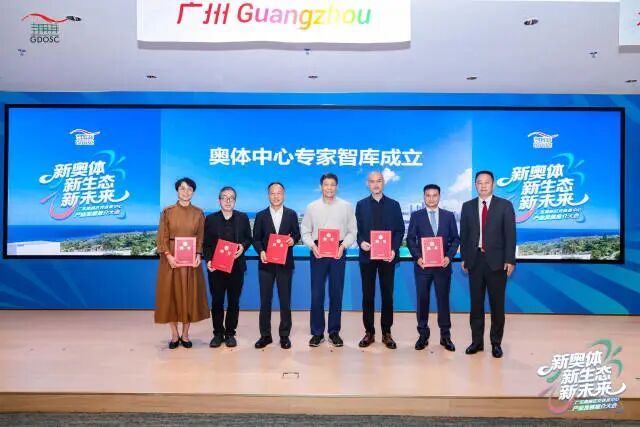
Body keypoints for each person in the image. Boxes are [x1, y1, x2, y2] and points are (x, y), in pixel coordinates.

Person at [460, 170, 516, 358]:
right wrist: (464, 258)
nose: (483, 186)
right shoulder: (467, 206)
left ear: (493, 184)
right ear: (475, 185)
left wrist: (510, 260)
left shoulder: (505, 206)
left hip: (497, 262)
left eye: (486, 182)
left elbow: (510, 235)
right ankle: (477, 342)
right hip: (475, 261)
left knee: (497, 305)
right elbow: (464, 235)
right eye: (479, 182)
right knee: (476, 304)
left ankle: (496, 343)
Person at [301, 173, 357, 347]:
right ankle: (317, 333)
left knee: (336, 293)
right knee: (317, 293)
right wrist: (312, 246)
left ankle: (334, 332)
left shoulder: (346, 206)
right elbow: (305, 231)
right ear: (321, 187)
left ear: (337, 187)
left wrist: (343, 246)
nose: (329, 188)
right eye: (326, 184)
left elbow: (352, 231)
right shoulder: (311, 207)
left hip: (338, 251)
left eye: (333, 184)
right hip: (318, 251)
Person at [154, 177, 210, 349]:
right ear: (177, 191)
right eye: (182, 188)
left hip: (190, 261)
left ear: (193, 192)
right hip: (171, 260)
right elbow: (162, 236)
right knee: (170, 296)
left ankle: (185, 334)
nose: (186, 192)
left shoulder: (198, 213)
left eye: (189, 189)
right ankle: (174, 334)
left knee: (189, 296)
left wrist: (198, 254)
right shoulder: (167, 212)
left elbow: (201, 237)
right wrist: (168, 256)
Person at [354, 171, 405, 349]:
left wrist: (394, 249)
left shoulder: (394, 205)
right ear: (367, 184)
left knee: (387, 296)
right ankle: (369, 332)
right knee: (368, 296)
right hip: (367, 256)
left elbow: (400, 230)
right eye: (372, 181)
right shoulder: (360, 205)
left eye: (379, 181)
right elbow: (356, 229)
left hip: (387, 257)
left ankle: (386, 333)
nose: (376, 184)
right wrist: (361, 242)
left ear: (383, 183)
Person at [407, 184, 460, 352]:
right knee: (422, 300)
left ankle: (445, 336)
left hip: (443, 267)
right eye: (428, 195)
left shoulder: (448, 216)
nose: (431, 198)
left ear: (439, 196)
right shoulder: (416, 216)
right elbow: (410, 240)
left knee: (443, 300)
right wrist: (418, 257)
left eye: (434, 195)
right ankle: (423, 335)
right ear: (424, 197)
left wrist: (448, 257)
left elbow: (455, 239)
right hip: (423, 267)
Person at [252, 182, 301, 349]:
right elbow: (256, 239)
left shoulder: (291, 214)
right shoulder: (261, 215)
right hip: (266, 264)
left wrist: (293, 240)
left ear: (283, 195)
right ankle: (265, 335)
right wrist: (261, 251)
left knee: (285, 301)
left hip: (285, 264)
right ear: (268, 195)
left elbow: (297, 234)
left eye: (279, 193)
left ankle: (284, 336)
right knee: (265, 301)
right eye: (272, 193)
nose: (276, 196)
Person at [203, 186, 252, 348]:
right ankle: (218, 333)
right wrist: (208, 260)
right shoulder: (210, 219)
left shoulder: (243, 218)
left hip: (236, 268)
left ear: (235, 201)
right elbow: (206, 244)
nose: (228, 200)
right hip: (216, 268)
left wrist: (242, 247)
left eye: (231, 197)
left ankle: (230, 333)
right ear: (219, 200)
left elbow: (248, 238)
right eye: (224, 197)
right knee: (217, 301)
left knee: (233, 301)